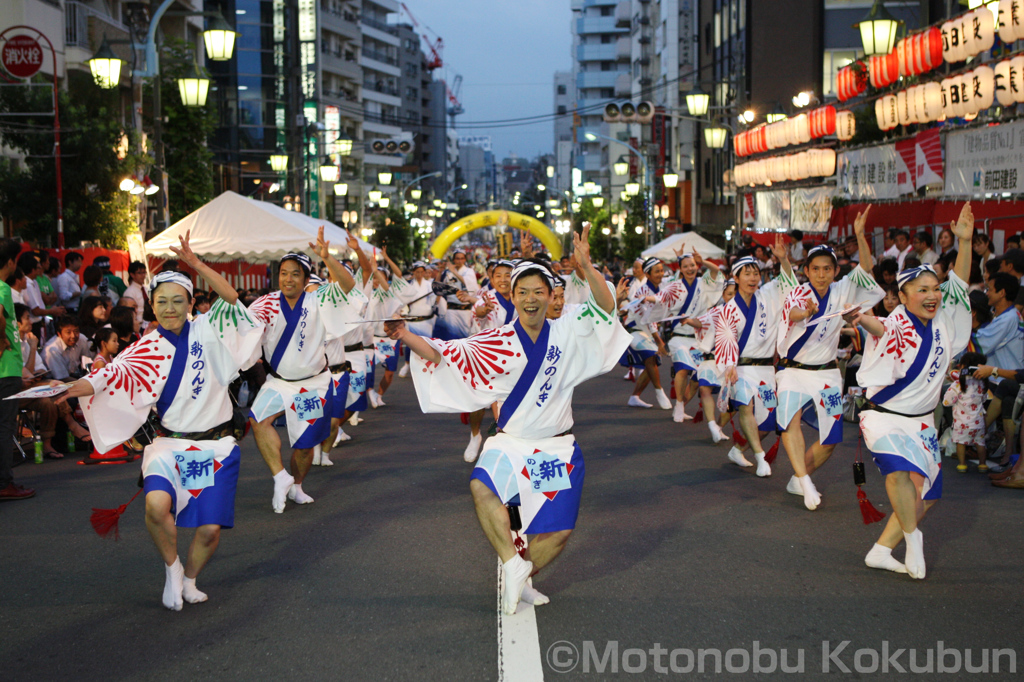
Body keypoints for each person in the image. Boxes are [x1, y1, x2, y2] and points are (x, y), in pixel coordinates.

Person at [387, 225, 630, 615]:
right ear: (511, 297)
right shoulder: (497, 341)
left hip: (556, 446)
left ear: (552, 296)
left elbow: (605, 307)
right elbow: (443, 354)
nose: (531, 299)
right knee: (482, 489)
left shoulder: (567, 330)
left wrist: (585, 265)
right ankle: (515, 564)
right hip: (512, 444)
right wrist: (403, 334)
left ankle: (522, 573)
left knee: (559, 532)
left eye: (539, 292)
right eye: (523, 292)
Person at [59, 231, 263, 610]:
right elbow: (111, 375)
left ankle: (189, 579)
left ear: (190, 304)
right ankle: (171, 568)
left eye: (177, 301)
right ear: (151, 305)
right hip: (168, 445)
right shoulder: (145, 347)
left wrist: (199, 264)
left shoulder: (209, 327)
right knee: (155, 505)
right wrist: (71, 389)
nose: (169, 309)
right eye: (161, 302)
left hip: (215, 445)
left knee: (209, 530)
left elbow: (233, 300)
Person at [851, 202, 974, 579]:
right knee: (899, 475)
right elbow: (879, 328)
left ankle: (882, 550)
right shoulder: (897, 324)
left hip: (921, 423)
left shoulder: (944, 320)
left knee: (924, 494)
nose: (933, 295)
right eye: (922, 290)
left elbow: (962, 284)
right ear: (903, 297)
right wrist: (863, 320)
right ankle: (913, 540)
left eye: (935, 288)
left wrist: (965, 243)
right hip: (884, 419)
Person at [776, 207, 883, 510]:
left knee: (832, 438)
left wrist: (861, 235)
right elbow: (793, 313)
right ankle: (806, 483)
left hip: (826, 373)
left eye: (827, 269)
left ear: (836, 271)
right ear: (806, 271)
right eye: (816, 269)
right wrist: (807, 312)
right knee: (790, 421)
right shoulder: (797, 293)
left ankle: (800, 476)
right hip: (792, 371)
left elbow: (866, 270)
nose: (821, 274)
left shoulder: (844, 288)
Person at [247, 228, 361, 513]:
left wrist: (328, 258)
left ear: (307, 279)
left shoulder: (320, 299)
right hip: (278, 382)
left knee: (305, 444)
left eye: (295, 274)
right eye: (284, 273)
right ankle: (280, 477)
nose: (288, 279)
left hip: (312, 384)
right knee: (258, 420)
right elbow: (245, 325)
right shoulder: (266, 302)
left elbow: (348, 285)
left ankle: (297, 485)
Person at [715, 236, 797, 477]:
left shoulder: (768, 295)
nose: (752, 278)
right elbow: (726, 338)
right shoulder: (729, 309)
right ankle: (761, 458)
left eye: (756, 274)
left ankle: (739, 449)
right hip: (740, 368)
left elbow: (787, 282)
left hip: (765, 369)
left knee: (769, 421)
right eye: (746, 274)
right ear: (736, 277)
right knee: (746, 406)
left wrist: (783, 258)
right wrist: (729, 364)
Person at [661, 249, 724, 422]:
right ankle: (680, 404)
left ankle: (681, 405)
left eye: (693, 265)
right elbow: (661, 298)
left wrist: (703, 261)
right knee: (682, 367)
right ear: (680, 269)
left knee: (696, 379)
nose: (690, 269)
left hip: (699, 339)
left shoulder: (704, 282)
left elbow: (716, 272)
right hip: (679, 336)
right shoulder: (676, 285)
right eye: (686, 266)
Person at [971, 272, 1023, 470]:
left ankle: (975, 434)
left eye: (989, 289)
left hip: (1006, 376)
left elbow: (980, 343)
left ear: (1001, 293)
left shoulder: (1007, 319)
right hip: (1000, 375)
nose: (986, 293)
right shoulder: (1006, 316)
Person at [0, 240, 33, 499]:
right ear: (10, 263)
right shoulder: (2, 288)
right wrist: (2, 341)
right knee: (5, 427)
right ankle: (4, 483)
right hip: (6, 369)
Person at [943, 352, 989, 473]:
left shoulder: (958, 384)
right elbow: (984, 399)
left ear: (962, 366)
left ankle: (962, 465)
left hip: (962, 423)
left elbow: (947, 402)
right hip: (978, 421)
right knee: (980, 443)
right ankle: (983, 464)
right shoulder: (982, 383)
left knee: (961, 443)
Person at [42, 316, 91, 381]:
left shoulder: (81, 339)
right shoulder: (52, 349)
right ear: (59, 334)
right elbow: (62, 378)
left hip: (74, 376)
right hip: (55, 381)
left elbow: (91, 360)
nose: (73, 336)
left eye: (76, 331)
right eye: (68, 332)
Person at [122, 261, 148, 327]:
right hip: (138, 325)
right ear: (132, 275)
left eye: (144, 272)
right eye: (139, 273)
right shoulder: (129, 292)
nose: (143, 275)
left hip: (148, 324)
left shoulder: (146, 289)